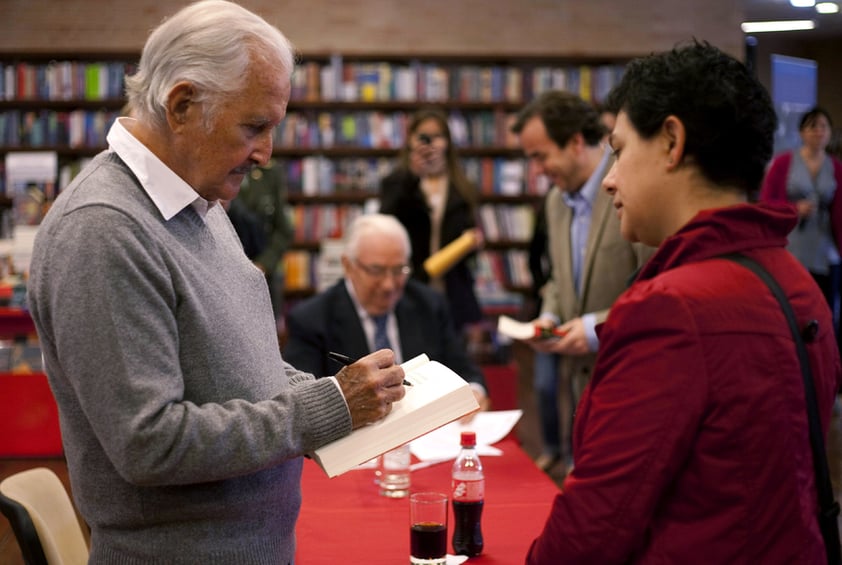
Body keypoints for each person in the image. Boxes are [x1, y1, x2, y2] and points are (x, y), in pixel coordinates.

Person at [25, 2, 406, 563]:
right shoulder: (104, 229)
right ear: (182, 105)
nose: (266, 155)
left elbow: (236, 360)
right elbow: (150, 443)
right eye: (254, 126)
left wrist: (336, 391)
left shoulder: (195, 200)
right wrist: (324, 408)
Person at [526, 41, 842, 563]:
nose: (608, 178)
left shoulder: (671, 310)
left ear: (671, 141)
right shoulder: (798, 284)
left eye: (620, 149)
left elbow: (594, 526)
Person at [510, 90, 653, 473]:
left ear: (575, 142)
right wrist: (550, 314)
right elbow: (558, 276)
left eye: (540, 156)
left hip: (633, 386)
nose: (536, 170)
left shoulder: (628, 190)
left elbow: (655, 288)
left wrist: (594, 329)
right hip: (580, 393)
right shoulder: (558, 203)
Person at [284, 213, 490, 411]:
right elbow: (303, 400)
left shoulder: (429, 304)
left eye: (399, 270)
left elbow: (465, 371)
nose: (389, 285)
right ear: (348, 266)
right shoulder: (312, 319)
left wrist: (474, 391)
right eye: (376, 271)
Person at [379, 107, 484, 343]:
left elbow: (467, 234)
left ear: (448, 142)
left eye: (437, 136)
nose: (431, 143)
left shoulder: (462, 187)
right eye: (423, 137)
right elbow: (384, 222)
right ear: (410, 141)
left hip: (452, 288)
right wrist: (414, 175)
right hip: (411, 284)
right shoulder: (398, 182)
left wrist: (472, 243)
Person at [759, 107, 842, 344]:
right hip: (791, 243)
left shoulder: (835, 166)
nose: (819, 132)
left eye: (823, 127)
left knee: (825, 306)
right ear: (801, 132)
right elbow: (767, 201)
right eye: (813, 126)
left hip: (825, 247)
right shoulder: (784, 162)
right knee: (791, 305)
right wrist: (793, 209)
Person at [226, 159, 293, 324]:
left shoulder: (270, 173)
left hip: (261, 277)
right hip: (226, 275)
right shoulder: (217, 169)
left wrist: (262, 265)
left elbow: (283, 230)